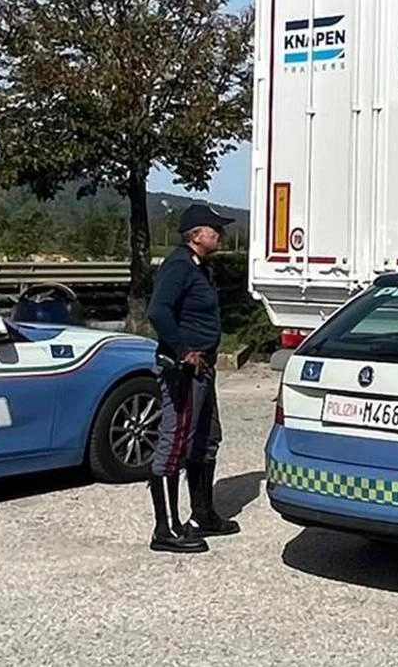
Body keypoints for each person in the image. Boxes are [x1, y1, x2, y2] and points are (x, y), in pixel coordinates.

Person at [144, 203, 241, 553]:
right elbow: (157, 311)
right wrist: (184, 350)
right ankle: (166, 529)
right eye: (214, 229)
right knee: (175, 441)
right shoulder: (179, 265)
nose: (221, 234)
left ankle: (202, 514)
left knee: (207, 436)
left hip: (204, 366)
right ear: (196, 235)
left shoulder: (200, 267)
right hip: (183, 369)